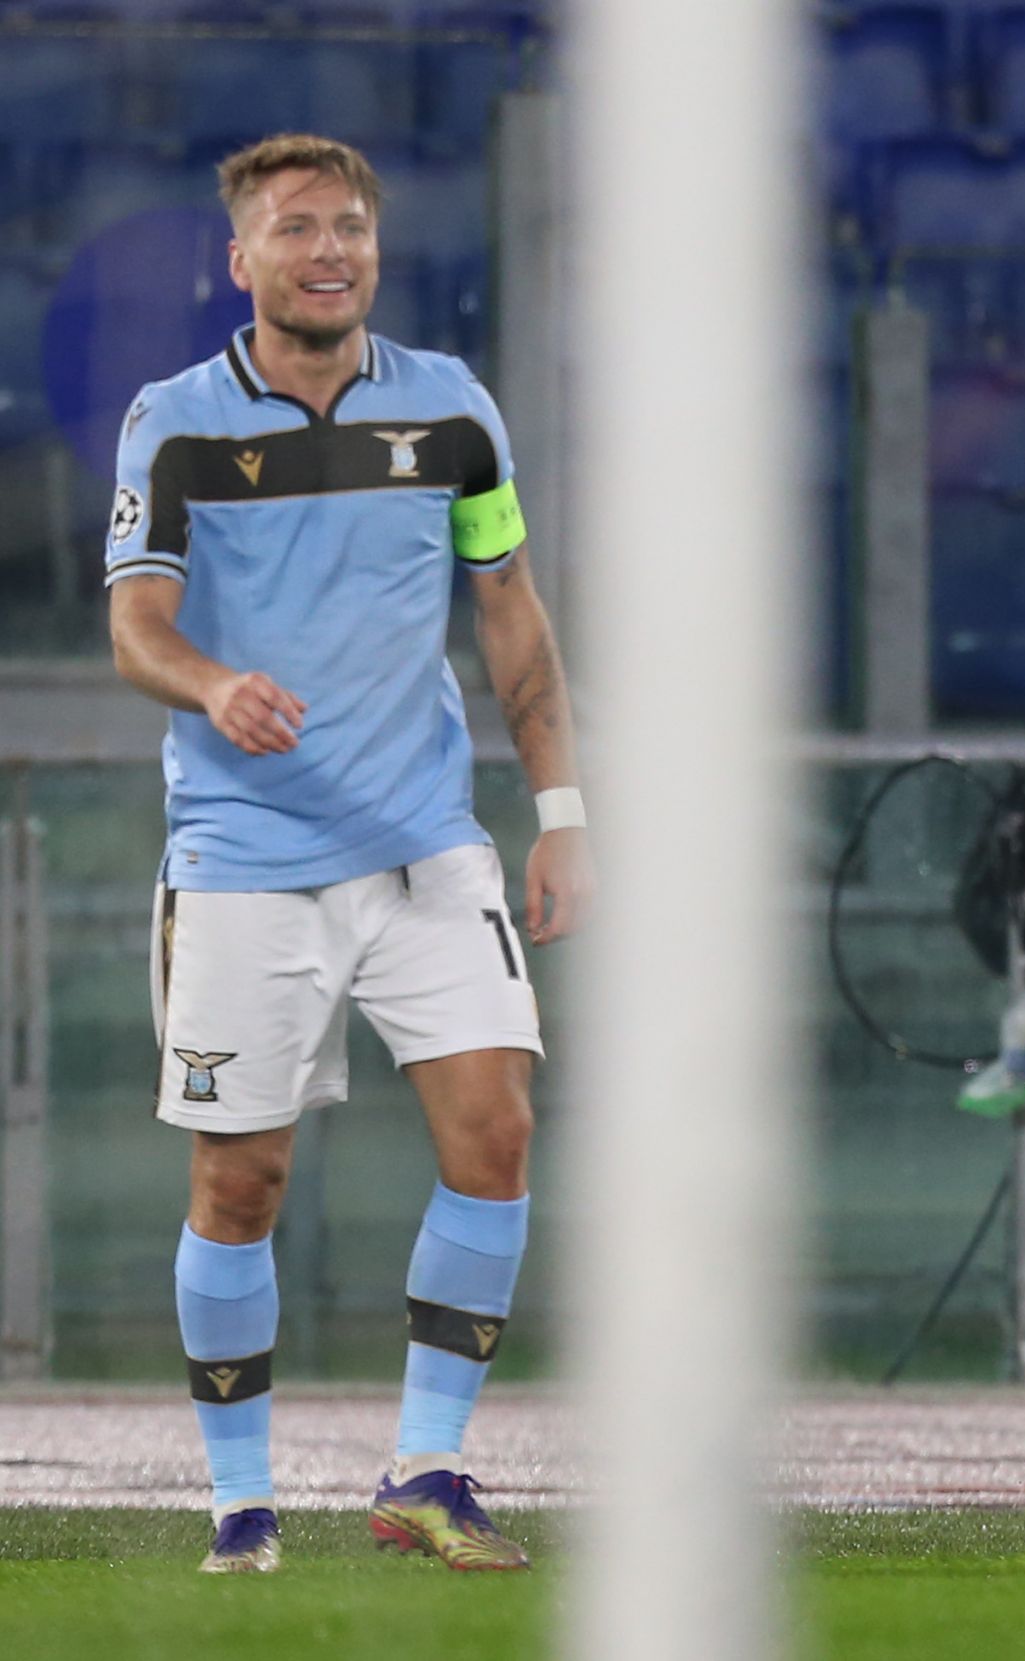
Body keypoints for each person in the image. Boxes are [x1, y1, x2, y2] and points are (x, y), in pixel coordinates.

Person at [104, 134, 590, 1574]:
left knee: (496, 1132)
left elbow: (508, 606)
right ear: (239, 260)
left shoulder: (451, 412)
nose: (331, 249)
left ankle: (428, 1469)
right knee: (240, 1182)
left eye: (353, 227)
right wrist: (212, 685)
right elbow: (135, 621)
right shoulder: (175, 422)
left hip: (429, 847)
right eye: (298, 228)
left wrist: (559, 812)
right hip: (246, 855)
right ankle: (241, 1506)